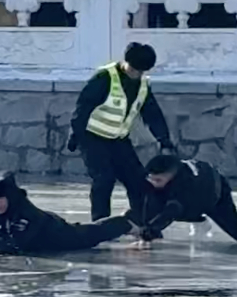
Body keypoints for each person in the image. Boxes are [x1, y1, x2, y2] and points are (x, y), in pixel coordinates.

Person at [68, 42, 175, 223]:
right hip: (92, 137)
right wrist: (75, 134)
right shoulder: (104, 78)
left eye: (141, 71)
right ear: (126, 63)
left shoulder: (142, 85)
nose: (137, 74)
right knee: (104, 179)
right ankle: (100, 224)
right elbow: (83, 106)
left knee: (138, 180)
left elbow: (152, 114)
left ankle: (141, 222)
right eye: (134, 69)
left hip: (118, 140)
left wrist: (164, 140)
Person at [0, 171, 140, 255]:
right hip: (37, 244)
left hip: (54, 232)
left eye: (1, 199)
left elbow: (18, 245)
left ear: (10, 197)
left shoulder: (27, 213)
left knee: (89, 235)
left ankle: (125, 223)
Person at [139, 155, 237, 245]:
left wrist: (148, 233)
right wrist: (144, 228)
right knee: (156, 204)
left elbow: (169, 214)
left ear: (171, 176)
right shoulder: (157, 182)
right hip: (193, 198)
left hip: (216, 195)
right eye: (150, 179)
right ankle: (199, 220)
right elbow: (147, 210)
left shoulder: (183, 187)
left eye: (158, 180)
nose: (153, 183)